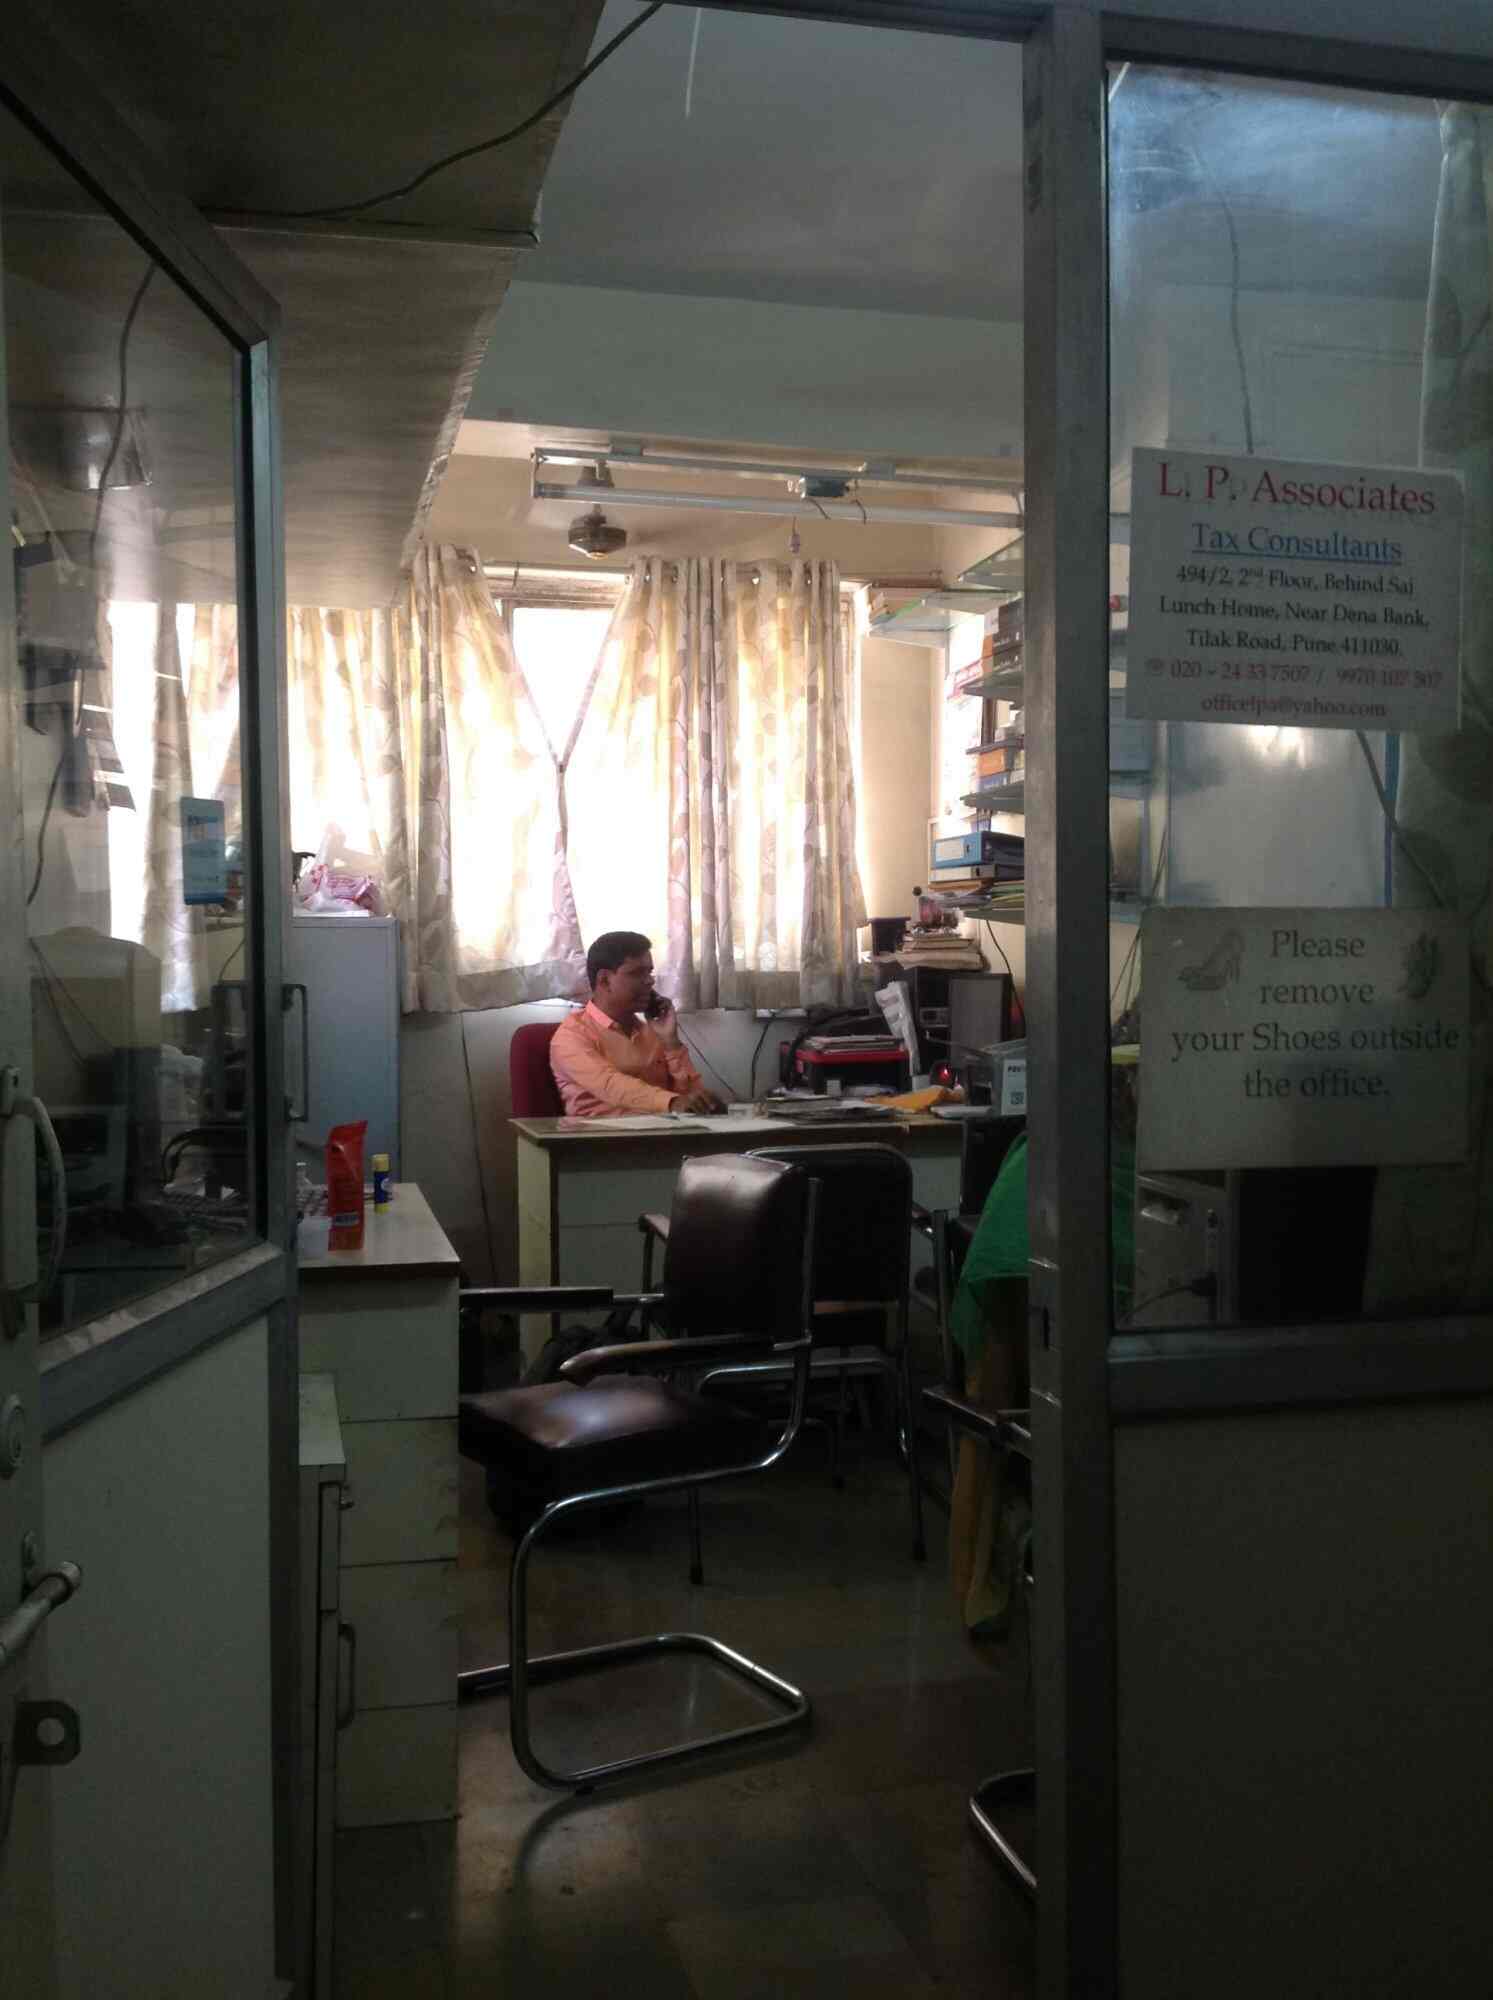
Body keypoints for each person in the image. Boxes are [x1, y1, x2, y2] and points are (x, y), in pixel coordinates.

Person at [549, 931, 724, 1117]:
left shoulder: (653, 1032)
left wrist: (671, 1043)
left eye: (649, 972)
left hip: (662, 1130)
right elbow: (609, 1084)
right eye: (637, 973)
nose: (650, 980)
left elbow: (690, 1098)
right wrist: (672, 1102)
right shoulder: (571, 1036)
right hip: (598, 1133)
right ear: (604, 980)